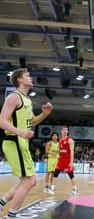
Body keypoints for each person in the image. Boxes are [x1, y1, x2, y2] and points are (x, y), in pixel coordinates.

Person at [0, 68, 53, 218]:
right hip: (14, 141)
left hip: (21, 142)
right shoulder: (14, 97)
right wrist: (20, 132)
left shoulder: (27, 100)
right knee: (28, 182)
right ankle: (11, 216)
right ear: (19, 80)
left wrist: (44, 114)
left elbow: (33, 121)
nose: (31, 78)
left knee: (30, 181)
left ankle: (2, 203)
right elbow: (1, 121)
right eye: (27, 76)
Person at [48, 126, 79, 196]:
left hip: (67, 160)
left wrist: (71, 162)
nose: (65, 131)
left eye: (66, 130)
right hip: (61, 160)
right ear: (61, 131)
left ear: (67, 131)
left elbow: (72, 151)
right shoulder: (60, 141)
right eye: (64, 130)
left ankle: (75, 189)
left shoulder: (70, 140)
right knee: (56, 172)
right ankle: (52, 188)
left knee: (71, 175)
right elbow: (60, 151)